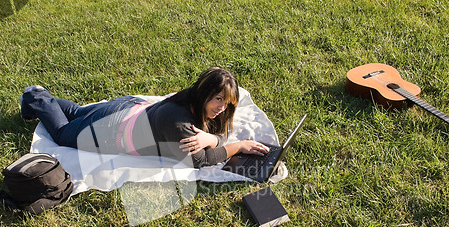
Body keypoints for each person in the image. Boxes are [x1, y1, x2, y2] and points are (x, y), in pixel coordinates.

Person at [20, 67, 269, 168]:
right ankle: (35, 96)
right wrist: (238, 146)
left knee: (76, 113)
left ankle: (43, 100)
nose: (222, 109)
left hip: (127, 110)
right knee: (64, 134)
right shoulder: (179, 123)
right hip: (109, 131)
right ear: (204, 93)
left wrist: (212, 138)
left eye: (227, 104)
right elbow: (198, 161)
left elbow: (218, 133)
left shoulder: (195, 101)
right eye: (218, 100)